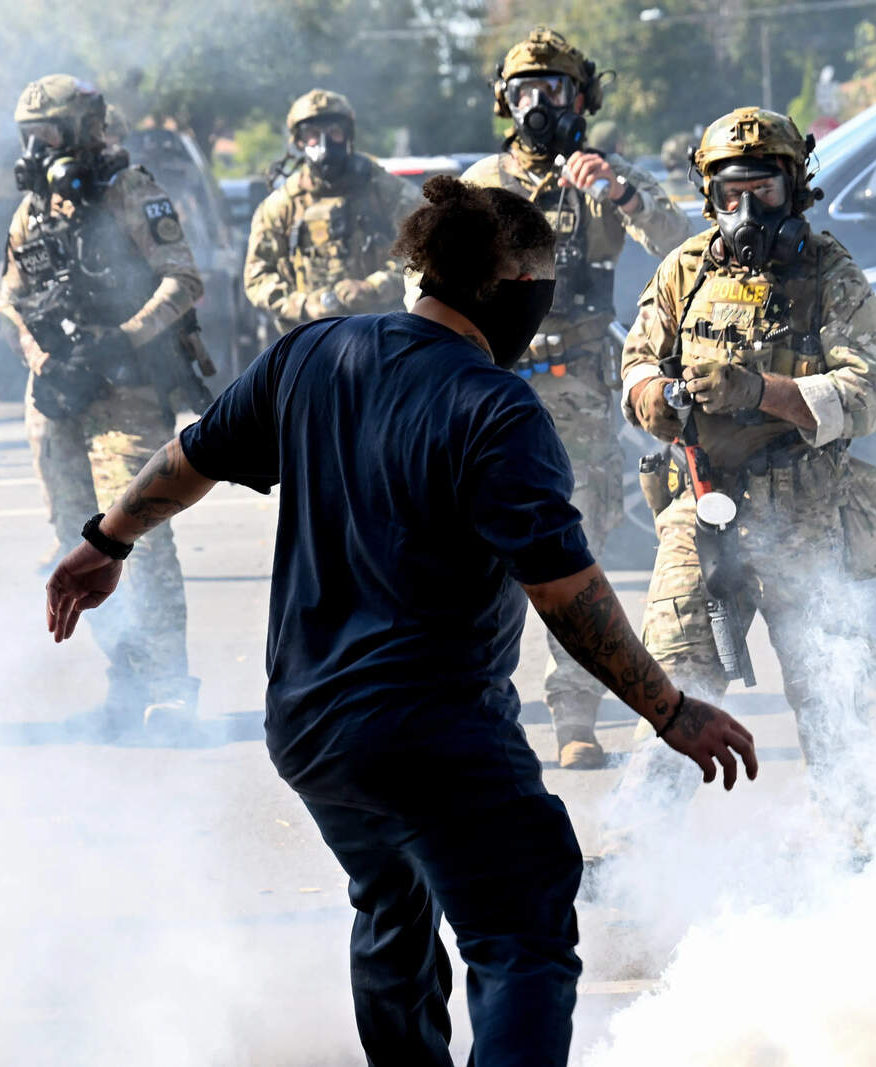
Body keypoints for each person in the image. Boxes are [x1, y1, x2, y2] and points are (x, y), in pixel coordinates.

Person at [43, 175, 758, 1067]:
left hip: (309, 729)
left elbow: (193, 455)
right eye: (541, 287)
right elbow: (567, 595)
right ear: (509, 293)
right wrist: (671, 709)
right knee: (522, 934)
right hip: (436, 730)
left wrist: (105, 540)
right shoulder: (495, 409)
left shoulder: (311, 354)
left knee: (392, 905)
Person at [613, 107, 876, 825]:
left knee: (833, 700)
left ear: (794, 186)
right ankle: (643, 853)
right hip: (702, 507)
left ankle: (856, 852)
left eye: (762, 191)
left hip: (806, 515)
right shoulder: (684, 268)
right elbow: (637, 359)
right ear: (708, 194)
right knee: (674, 686)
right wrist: (654, 399)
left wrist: (762, 392)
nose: (745, 210)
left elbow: (866, 395)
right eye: (730, 192)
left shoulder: (831, 274)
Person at [465, 27, 691, 769]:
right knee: (479, 556)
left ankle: (574, 715)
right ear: (506, 100)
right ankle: (480, 711)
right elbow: (421, 285)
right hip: (494, 383)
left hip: (584, 390)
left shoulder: (605, 177)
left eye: (555, 90)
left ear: (581, 98)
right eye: (526, 90)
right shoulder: (480, 182)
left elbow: (684, 244)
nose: (540, 104)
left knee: (578, 550)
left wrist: (618, 192)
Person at [0, 74, 206, 730]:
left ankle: (169, 685)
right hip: (60, 392)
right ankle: (126, 677)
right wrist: (42, 360)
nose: (37, 147)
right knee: (70, 535)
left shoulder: (130, 190)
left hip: (126, 391)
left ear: (84, 130)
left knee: (135, 532)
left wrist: (120, 338)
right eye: (28, 135)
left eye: (49, 134)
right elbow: (8, 295)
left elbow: (184, 279)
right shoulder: (32, 207)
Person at [242, 89, 420, 333]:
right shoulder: (281, 205)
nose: (324, 143)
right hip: (306, 340)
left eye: (334, 132)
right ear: (299, 141)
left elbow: (425, 256)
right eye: (313, 134)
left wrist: (374, 287)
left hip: (380, 335)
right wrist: (304, 305)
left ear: (348, 135)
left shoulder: (387, 192)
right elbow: (257, 278)